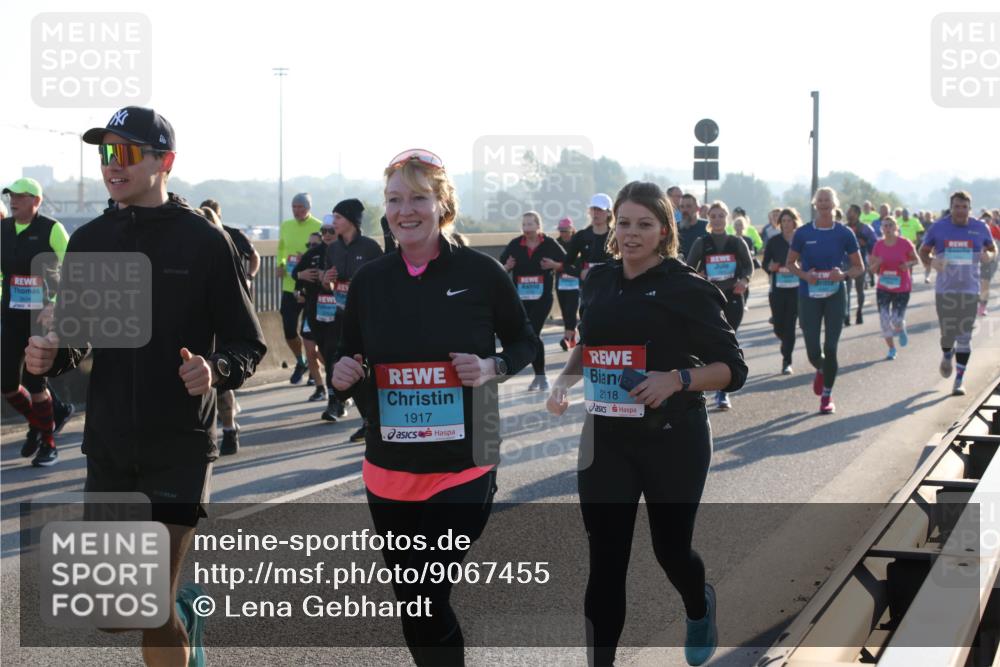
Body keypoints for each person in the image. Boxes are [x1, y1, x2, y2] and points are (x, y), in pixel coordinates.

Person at [25, 106, 266, 667]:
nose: (113, 164)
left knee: (150, 604)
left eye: (128, 152)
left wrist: (215, 370)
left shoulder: (204, 241)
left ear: (165, 162)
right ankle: (183, 599)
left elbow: (247, 342)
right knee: (115, 611)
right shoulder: (89, 241)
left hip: (179, 445)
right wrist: (53, 354)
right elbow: (80, 338)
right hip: (110, 443)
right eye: (106, 152)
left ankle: (173, 603)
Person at [331, 149, 536, 666]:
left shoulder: (483, 273)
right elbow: (346, 353)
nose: (406, 210)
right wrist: (343, 373)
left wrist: (493, 368)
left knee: (430, 594)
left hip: (466, 462)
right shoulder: (372, 281)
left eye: (419, 197)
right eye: (395, 199)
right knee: (413, 601)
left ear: (442, 203)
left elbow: (524, 342)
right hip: (390, 467)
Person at [546, 181, 747, 667]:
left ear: (664, 230)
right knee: (606, 560)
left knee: (671, 550)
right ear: (613, 225)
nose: (632, 234)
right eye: (625, 223)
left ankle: (699, 604)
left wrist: (676, 379)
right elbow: (589, 346)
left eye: (644, 224)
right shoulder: (597, 280)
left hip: (673, 439)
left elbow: (733, 370)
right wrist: (564, 382)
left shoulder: (688, 288)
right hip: (606, 437)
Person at [2, 177, 73, 466]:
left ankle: (48, 442)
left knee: (35, 384)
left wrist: (56, 305)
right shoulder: (3, 230)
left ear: (36, 200)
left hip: (41, 319)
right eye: (11, 196)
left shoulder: (52, 229)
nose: (13, 200)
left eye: (20, 196)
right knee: (7, 385)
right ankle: (44, 421)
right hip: (11, 315)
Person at [785, 187, 864, 414]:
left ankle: (827, 396)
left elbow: (859, 267)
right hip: (809, 294)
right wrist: (804, 275)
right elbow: (790, 263)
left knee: (830, 348)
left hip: (834, 294)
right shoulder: (803, 233)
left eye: (827, 200)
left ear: (834, 203)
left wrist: (844, 275)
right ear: (814, 204)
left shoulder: (844, 232)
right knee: (812, 350)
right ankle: (822, 369)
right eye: (820, 200)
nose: (823, 203)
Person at [919, 191, 996, 395]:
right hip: (945, 290)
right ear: (951, 208)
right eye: (957, 207)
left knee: (964, 335)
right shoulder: (939, 227)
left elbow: (992, 249)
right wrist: (932, 261)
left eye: (964, 207)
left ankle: (959, 380)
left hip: (970, 290)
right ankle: (947, 355)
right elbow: (923, 251)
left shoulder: (980, 227)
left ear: (970, 209)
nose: (960, 211)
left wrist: (988, 256)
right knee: (947, 335)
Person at [200, 200, 259, 455]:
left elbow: (253, 257)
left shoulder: (229, 239)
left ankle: (229, 429)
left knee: (220, 381)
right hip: (200, 324)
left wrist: (249, 278)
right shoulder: (193, 245)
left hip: (225, 322)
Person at [321, 198, 382, 439]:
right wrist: (326, 280)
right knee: (334, 359)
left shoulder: (370, 248)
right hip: (337, 314)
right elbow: (328, 281)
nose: (333, 222)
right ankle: (339, 403)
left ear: (351, 221)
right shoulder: (333, 248)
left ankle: (371, 419)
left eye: (337, 218)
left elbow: (382, 282)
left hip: (366, 318)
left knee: (364, 369)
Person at [687, 202, 753, 410]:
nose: (717, 219)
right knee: (709, 342)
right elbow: (689, 269)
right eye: (713, 216)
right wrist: (699, 277)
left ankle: (722, 393)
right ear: (709, 218)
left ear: (727, 218)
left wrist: (744, 281)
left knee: (727, 343)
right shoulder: (702, 242)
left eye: (720, 216)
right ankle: (708, 382)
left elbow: (749, 267)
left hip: (733, 297)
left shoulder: (736, 242)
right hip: (710, 299)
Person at [500, 211, 567, 391]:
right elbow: (500, 267)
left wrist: (554, 265)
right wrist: (508, 267)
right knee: (531, 336)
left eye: (530, 224)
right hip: (521, 299)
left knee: (533, 333)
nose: (526, 228)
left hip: (543, 298)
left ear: (538, 226)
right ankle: (539, 377)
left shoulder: (549, 244)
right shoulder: (515, 245)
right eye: (524, 225)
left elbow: (568, 263)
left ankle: (542, 377)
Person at [277, 192, 322, 384]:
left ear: (308, 208)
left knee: (312, 332)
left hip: (312, 287)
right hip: (290, 285)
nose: (297, 211)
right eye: (294, 207)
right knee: (288, 329)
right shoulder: (286, 226)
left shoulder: (319, 227)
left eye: (301, 207)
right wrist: (280, 263)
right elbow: (281, 249)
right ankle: (300, 361)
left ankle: (314, 372)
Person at [869, 217, 918, 360]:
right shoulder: (878, 245)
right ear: (882, 229)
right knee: (884, 319)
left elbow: (916, 260)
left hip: (902, 286)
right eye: (885, 226)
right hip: (884, 286)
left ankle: (900, 327)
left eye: (890, 225)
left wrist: (907, 265)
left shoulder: (905, 243)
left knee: (896, 320)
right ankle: (891, 349)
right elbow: (871, 270)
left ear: (896, 227)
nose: (888, 228)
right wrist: (877, 263)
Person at [763, 207, 804, 374]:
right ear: (780, 223)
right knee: (779, 326)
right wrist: (769, 267)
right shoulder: (774, 241)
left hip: (796, 289)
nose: (786, 224)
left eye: (789, 221)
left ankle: (787, 361)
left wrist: (803, 268)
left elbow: (809, 260)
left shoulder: (801, 241)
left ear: (795, 222)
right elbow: (765, 263)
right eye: (783, 221)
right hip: (778, 289)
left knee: (790, 325)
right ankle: (785, 341)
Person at [562, 193, 615, 320]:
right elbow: (567, 264)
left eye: (600, 210)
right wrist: (580, 272)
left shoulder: (616, 235)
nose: (596, 213)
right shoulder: (581, 236)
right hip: (588, 288)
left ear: (608, 213)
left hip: (611, 288)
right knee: (589, 321)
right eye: (593, 209)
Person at [294, 232, 328, 401]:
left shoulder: (335, 252)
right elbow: (295, 274)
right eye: (310, 245)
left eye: (315, 244)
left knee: (324, 353)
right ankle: (320, 388)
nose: (312, 248)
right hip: (311, 309)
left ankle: (337, 386)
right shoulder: (310, 256)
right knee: (309, 351)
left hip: (330, 311)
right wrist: (301, 276)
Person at [844, 204, 877, 326]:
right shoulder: (843, 228)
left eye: (850, 212)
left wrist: (866, 244)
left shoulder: (865, 229)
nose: (847, 214)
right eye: (847, 212)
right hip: (845, 264)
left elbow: (874, 245)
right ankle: (846, 315)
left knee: (859, 290)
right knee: (845, 291)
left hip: (860, 263)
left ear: (857, 214)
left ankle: (859, 312)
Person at [555, 216, 581, 351]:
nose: (563, 233)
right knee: (565, 310)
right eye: (561, 230)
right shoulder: (556, 243)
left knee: (571, 309)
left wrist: (559, 265)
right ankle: (572, 335)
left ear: (572, 229)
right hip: (561, 283)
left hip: (575, 282)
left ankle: (567, 337)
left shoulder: (578, 241)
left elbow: (580, 262)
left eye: (565, 230)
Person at [977, 210, 1000, 316]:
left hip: (990, 260)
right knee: (979, 282)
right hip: (976, 260)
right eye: (984, 219)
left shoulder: (994, 229)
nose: (986, 221)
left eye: (988, 219)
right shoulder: (976, 229)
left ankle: (982, 306)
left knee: (985, 282)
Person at [677, 193, 708, 259]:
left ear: (697, 208)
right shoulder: (675, 228)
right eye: (682, 207)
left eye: (688, 206)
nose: (685, 210)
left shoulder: (707, 227)